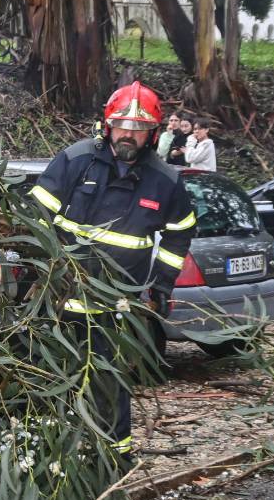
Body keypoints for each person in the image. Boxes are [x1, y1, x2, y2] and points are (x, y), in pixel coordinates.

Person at [30, 82, 197, 460]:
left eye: (138, 129)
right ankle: (50, 455)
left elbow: (180, 233)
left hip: (117, 308)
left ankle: (112, 459)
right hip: (59, 302)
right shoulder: (75, 161)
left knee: (110, 382)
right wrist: (42, 270)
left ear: (153, 134)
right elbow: (35, 219)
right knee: (52, 376)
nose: (129, 135)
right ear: (107, 126)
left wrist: (160, 287)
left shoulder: (166, 181)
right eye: (122, 125)